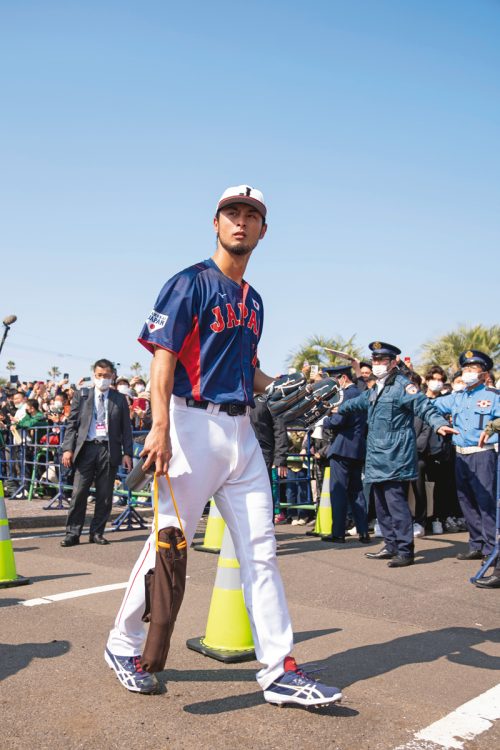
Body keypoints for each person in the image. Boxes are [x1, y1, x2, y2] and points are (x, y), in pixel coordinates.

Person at [105, 185, 342, 707]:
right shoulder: (190, 282)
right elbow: (163, 356)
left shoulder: (253, 300)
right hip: (190, 423)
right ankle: (123, 644)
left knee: (262, 551)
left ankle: (278, 671)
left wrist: (276, 384)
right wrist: (160, 427)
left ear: (263, 230)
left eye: (251, 215)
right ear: (215, 223)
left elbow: (246, 369)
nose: (241, 222)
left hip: (241, 430)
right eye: (232, 213)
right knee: (167, 544)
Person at [337, 342, 455, 567]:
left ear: (393, 363)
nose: (377, 364)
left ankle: (405, 550)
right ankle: (390, 545)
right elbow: (356, 403)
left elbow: (424, 406)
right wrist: (337, 407)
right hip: (376, 455)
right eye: (374, 360)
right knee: (381, 504)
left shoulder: (403, 386)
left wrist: (439, 423)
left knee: (396, 503)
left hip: (395, 454)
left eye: (381, 361)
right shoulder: (376, 388)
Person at [432, 350, 500, 564]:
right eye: (465, 369)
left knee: (485, 502)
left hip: (483, 455)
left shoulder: (492, 396)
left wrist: (491, 430)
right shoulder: (456, 397)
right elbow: (428, 406)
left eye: (473, 368)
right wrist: (438, 422)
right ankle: (476, 544)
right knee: (466, 502)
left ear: (483, 373)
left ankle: (491, 548)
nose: (468, 372)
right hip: (460, 456)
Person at [60, 358, 133, 547]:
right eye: (100, 376)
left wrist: (127, 453)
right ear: (94, 375)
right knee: (78, 493)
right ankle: (72, 533)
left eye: (107, 376)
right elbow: (72, 424)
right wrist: (67, 448)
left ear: (112, 376)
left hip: (108, 449)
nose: (103, 379)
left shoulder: (119, 399)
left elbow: (127, 428)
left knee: (105, 495)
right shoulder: (82, 395)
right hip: (86, 448)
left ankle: (97, 532)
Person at [321, 365, 370, 543]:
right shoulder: (360, 393)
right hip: (357, 448)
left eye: (334, 380)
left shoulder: (346, 395)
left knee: (339, 491)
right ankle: (363, 531)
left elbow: (339, 420)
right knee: (356, 491)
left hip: (342, 448)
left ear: (343, 378)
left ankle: (338, 532)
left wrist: (324, 420)